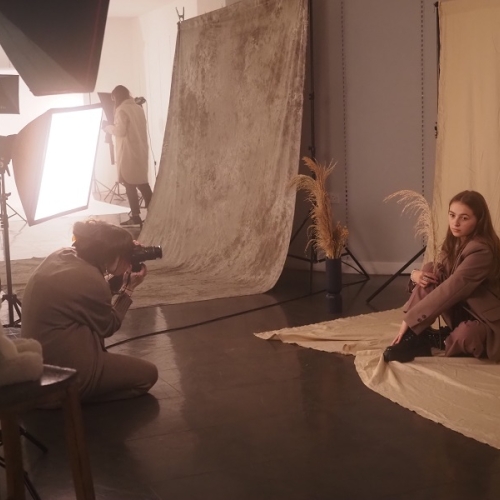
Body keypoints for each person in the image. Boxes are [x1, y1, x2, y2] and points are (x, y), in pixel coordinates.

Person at [21, 219, 158, 402]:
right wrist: (128, 289)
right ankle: (72, 399)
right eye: (126, 256)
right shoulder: (91, 279)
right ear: (111, 255)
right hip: (65, 373)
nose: (128, 260)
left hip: (40, 365)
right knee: (148, 375)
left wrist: (120, 251)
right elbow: (109, 325)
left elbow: (90, 298)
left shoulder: (63, 255)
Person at [383, 190, 500, 363]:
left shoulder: (482, 250)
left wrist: (409, 319)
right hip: (463, 309)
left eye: (464, 218)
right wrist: (415, 275)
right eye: (452, 215)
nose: (455, 223)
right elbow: (437, 278)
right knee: (430, 271)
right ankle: (412, 337)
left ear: (479, 220)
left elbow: (452, 288)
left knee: (466, 335)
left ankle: (437, 339)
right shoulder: (455, 242)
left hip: (485, 319)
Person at [104, 85, 153, 227]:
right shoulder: (137, 108)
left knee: (130, 183)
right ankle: (152, 213)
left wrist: (107, 127)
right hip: (140, 150)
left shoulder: (122, 110)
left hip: (128, 152)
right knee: (142, 183)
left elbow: (120, 131)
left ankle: (136, 216)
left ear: (116, 97)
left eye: (113, 99)